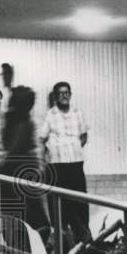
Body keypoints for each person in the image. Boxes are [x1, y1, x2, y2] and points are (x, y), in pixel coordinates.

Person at [40, 81, 91, 241]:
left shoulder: (78, 113)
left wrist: (73, 147)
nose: (64, 96)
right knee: (59, 204)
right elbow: (41, 138)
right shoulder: (50, 115)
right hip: (57, 166)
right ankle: (62, 240)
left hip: (75, 164)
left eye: (67, 93)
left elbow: (84, 136)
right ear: (55, 96)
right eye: (60, 93)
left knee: (80, 202)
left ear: (70, 94)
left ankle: (83, 239)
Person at [2, 85, 51, 242]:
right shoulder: (18, 118)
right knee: (27, 206)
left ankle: (37, 236)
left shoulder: (23, 121)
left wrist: (2, 160)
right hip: (23, 167)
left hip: (22, 167)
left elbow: (14, 146)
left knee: (29, 206)